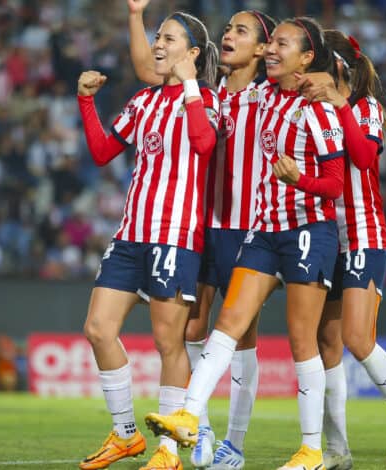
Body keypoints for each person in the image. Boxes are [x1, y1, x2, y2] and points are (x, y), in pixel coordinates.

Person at [145, 17, 345, 470]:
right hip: (260, 231)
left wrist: (302, 176)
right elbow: (191, 88)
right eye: (270, 42)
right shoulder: (255, 96)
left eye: (278, 42)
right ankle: (189, 418)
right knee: (221, 329)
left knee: (300, 341)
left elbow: (334, 184)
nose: (272, 49)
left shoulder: (319, 105)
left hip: (305, 230)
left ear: (306, 57)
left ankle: (307, 448)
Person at [127, 1, 277, 467]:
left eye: (242, 30)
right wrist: (136, 18)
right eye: (228, 28)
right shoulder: (205, 92)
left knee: (241, 336)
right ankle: (202, 428)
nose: (228, 34)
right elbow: (150, 71)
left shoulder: (269, 95)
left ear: (262, 49)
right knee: (193, 327)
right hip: (201, 226)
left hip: (247, 230)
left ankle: (234, 441)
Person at [76, 9, 219, 470]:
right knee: (98, 329)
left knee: (168, 344)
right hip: (130, 235)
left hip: (176, 238)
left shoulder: (208, 102)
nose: (158, 45)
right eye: (157, 37)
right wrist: (85, 102)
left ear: (192, 53)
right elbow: (102, 152)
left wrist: (191, 86)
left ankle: (169, 451)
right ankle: (125, 436)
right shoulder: (143, 102)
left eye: (170, 39)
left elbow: (203, 145)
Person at [299, 31, 386, 469]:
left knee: (356, 337)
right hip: (325, 238)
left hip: (362, 236)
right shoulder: (313, 111)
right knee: (326, 343)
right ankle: (337, 450)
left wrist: (338, 102)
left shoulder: (366, 108)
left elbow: (364, 158)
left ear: (336, 69)